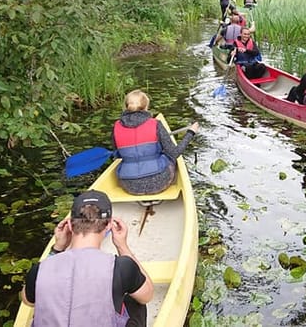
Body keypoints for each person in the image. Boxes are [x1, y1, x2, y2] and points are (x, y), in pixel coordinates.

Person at [21, 190, 153, 327]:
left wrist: (57, 249)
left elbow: (28, 300)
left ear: (70, 226)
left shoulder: (40, 269)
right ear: (108, 225)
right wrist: (122, 246)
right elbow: (147, 295)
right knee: (135, 300)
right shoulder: (122, 267)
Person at [112, 90, 199, 195]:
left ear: (126, 107)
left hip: (129, 185)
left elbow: (118, 155)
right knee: (169, 155)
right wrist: (191, 132)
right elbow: (175, 153)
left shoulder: (116, 127)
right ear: (146, 107)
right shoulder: (155, 124)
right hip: (159, 182)